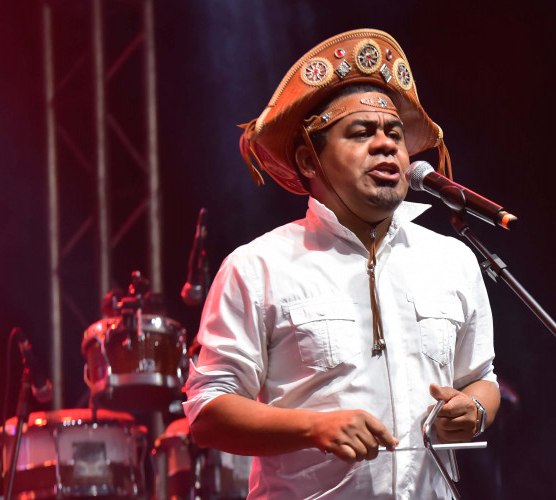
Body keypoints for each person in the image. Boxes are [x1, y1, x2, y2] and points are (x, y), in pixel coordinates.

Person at [183, 29, 500, 499]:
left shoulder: (452, 258)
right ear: (309, 161)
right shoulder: (258, 266)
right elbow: (208, 413)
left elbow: (481, 379)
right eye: (361, 132)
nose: (386, 145)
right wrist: (313, 427)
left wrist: (474, 409)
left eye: (395, 134)